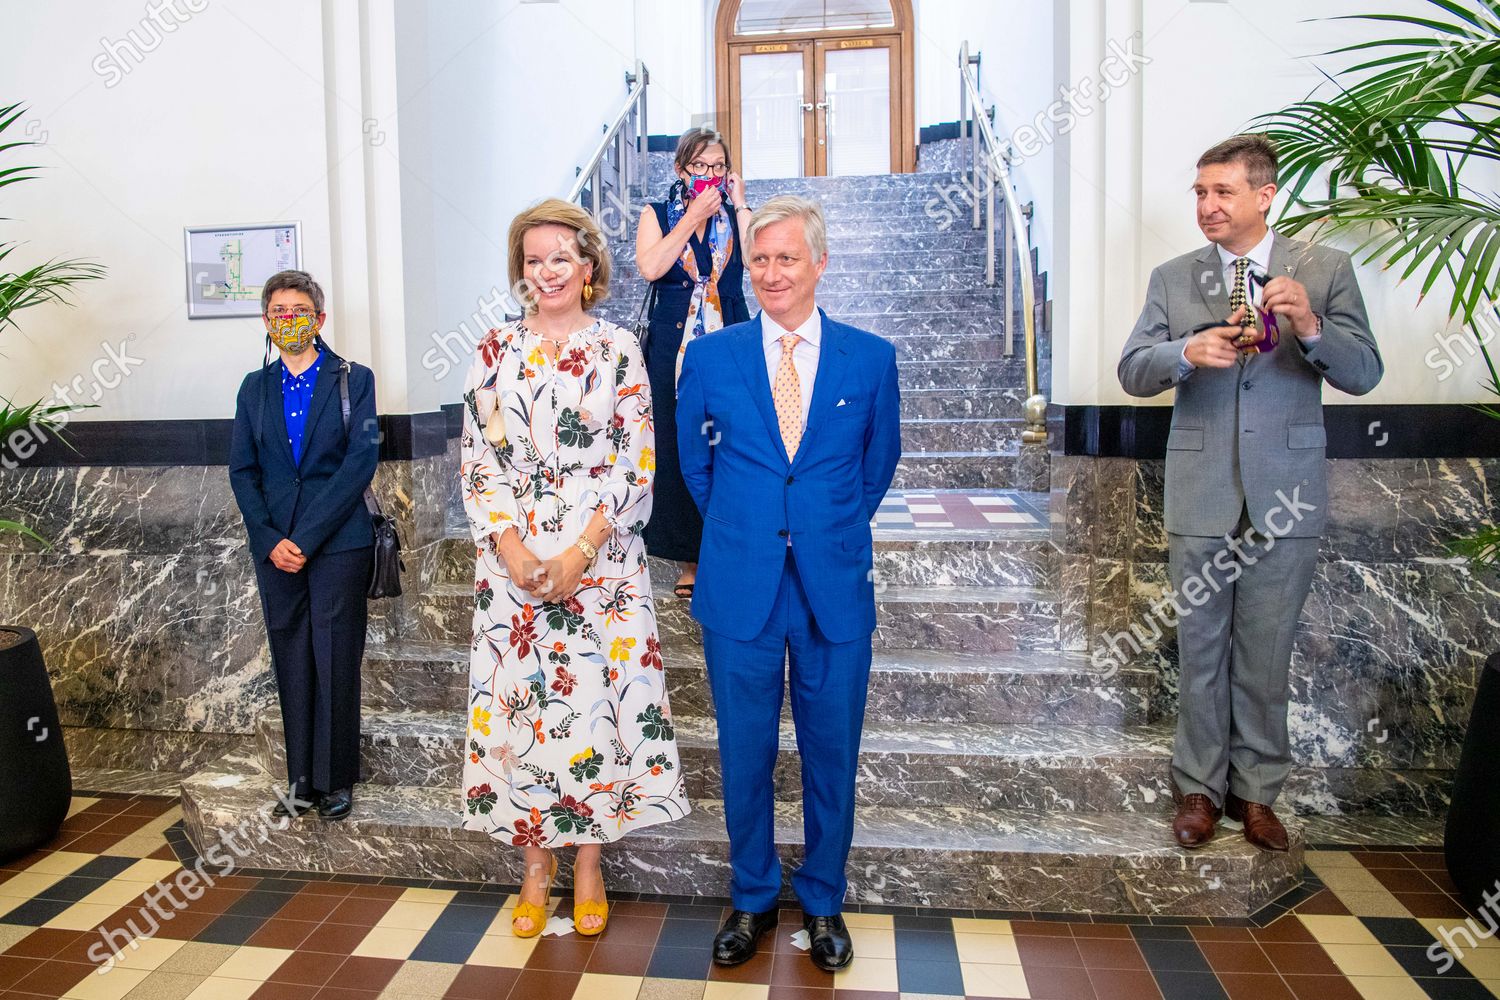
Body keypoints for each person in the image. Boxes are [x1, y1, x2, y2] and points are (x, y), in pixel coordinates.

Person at [1118, 135, 1383, 852]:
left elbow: (1364, 373)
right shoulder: (1174, 280)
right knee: (1201, 649)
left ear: (1265, 196)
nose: (1207, 206)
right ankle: (1198, 791)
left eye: (1222, 192)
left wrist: (1311, 325)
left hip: (1285, 495)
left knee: (1266, 655)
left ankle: (1256, 795)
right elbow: (1132, 370)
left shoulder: (1324, 271)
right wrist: (1182, 353)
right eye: (1200, 193)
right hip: (1201, 491)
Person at [676, 195, 901, 972]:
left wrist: (818, 527)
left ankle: (825, 899)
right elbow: (696, 469)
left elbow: (875, 469)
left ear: (819, 265)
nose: (771, 273)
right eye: (759, 258)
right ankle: (750, 898)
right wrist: (749, 529)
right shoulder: (711, 358)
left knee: (831, 749)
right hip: (741, 585)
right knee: (744, 749)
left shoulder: (870, 359)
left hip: (833, 583)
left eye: (787, 258)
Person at [460, 198, 690, 939]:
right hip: (513, 565)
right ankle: (535, 865)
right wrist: (516, 550)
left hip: (603, 558)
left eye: (562, 257)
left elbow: (638, 458)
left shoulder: (619, 348)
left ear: (589, 265)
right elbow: (478, 462)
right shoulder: (493, 349)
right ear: (520, 271)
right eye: (533, 260)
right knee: (525, 708)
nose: (547, 270)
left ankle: (588, 860)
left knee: (592, 705)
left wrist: (582, 549)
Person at [228, 269, 379, 822]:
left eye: (299, 311)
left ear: (319, 318)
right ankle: (300, 781)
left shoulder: (352, 379)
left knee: (335, 655)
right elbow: (242, 471)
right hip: (275, 550)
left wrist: (306, 537)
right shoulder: (254, 387)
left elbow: (360, 463)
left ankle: (336, 778)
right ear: (266, 321)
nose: (288, 320)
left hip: (337, 543)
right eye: (278, 312)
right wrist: (271, 540)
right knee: (291, 654)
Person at [635, 126, 752, 600]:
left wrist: (740, 204)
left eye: (718, 166)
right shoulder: (657, 213)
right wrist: (690, 219)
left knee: (733, 445)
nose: (709, 174)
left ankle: (735, 548)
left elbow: (758, 256)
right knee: (681, 444)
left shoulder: (735, 216)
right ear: (682, 170)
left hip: (732, 340)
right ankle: (690, 557)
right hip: (672, 346)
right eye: (700, 166)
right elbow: (651, 267)